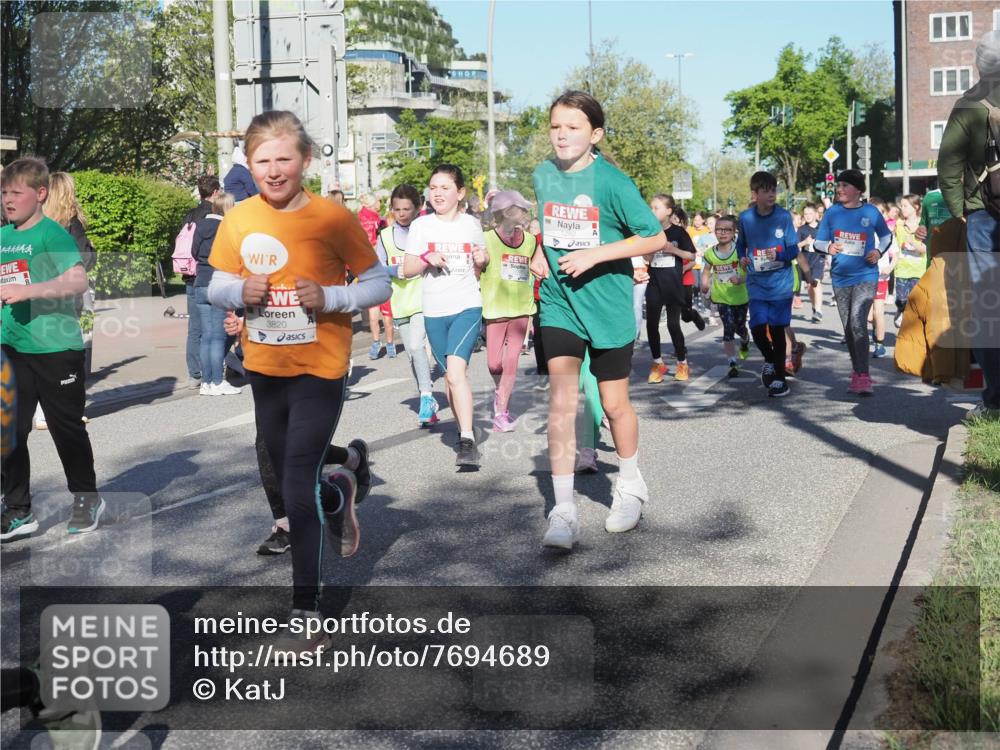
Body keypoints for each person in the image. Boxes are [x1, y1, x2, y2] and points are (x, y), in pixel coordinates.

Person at [207, 110, 390, 645]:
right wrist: (239, 292)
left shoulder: (332, 218)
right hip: (265, 367)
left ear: (305, 160)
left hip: (320, 366)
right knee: (289, 464)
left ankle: (306, 609)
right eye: (262, 161)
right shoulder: (239, 218)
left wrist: (330, 296)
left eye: (284, 159)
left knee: (293, 483)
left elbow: (379, 283)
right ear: (249, 165)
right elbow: (216, 285)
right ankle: (339, 488)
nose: (273, 170)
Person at [529, 90, 665, 550]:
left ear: (595, 134)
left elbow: (654, 237)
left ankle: (630, 485)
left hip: (607, 305)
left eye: (573, 127)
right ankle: (563, 510)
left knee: (613, 405)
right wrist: (540, 253)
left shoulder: (613, 183)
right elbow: (547, 227)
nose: (562, 134)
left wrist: (596, 254)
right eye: (556, 126)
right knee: (562, 402)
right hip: (559, 302)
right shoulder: (543, 175)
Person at [1, 157, 105, 540]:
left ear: (40, 193)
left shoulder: (52, 235)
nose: (7, 200)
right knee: (9, 430)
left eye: (17, 193)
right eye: (4, 193)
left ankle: (87, 498)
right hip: (13, 347)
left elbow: (77, 281)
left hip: (56, 348)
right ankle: (18, 510)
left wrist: (28, 291)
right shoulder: (3, 237)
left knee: (65, 428)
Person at [401, 165, 488, 467]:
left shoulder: (471, 224)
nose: (437, 193)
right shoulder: (421, 226)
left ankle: (466, 439)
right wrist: (427, 258)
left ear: (460, 192)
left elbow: (482, 261)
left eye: (445, 188)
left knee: (455, 373)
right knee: (451, 379)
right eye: (433, 187)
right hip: (434, 310)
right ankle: (466, 428)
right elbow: (407, 269)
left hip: (467, 305)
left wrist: (482, 258)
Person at [937, 29, 1000, 418]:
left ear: (980, 64)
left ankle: (995, 401)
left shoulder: (969, 104)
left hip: (983, 215)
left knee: (988, 307)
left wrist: (959, 208)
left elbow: (948, 164)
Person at [813, 169, 893, 396]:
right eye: (838, 185)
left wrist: (878, 251)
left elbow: (886, 236)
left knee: (858, 321)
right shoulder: (832, 213)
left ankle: (863, 375)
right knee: (849, 326)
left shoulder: (870, 212)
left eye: (845, 185)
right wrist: (828, 247)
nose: (839, 189)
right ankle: (857, 370)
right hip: (840, 277)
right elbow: (818, 242)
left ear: (858, 190)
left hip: (866, 274)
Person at [377, 183, 438, 426]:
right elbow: (377, 268)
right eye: (397, 209)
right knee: (413, 355)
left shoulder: (427, 231)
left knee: (415, 345)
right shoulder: (384, 236)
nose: (401, 214)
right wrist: (395, 270)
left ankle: (426, 397)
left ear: (418, 208)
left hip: (424, 297)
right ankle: (428, 400)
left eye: (406, 209)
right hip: (400, 301)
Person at [735, 171, 800, 398]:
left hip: (780, 283)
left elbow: (794, 249)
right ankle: (771, 360)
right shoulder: (746, 218)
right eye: (766, 191)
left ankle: (780, 380)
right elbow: (740, 245)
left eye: (774, 190)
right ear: (755, 194)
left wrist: (778, 254)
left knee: (776, 329)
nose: (771, 194)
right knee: (757, 327)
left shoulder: (783, 216)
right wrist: (742, 258)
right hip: (757, 282)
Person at [481, 190, 536, 432]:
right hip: (495, 309)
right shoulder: (486, 239)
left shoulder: (531, 241)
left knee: (511, 361)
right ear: (505, 213)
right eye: (519, 209)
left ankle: (501, 412)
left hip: (522, 309)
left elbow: (536, 266)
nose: (523, 213)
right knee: (494, 364)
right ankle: (500, 391)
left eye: (524, 209)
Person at [192, 192, 242, 396]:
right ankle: (217, 381)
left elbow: (194, 252)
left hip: (200, 282)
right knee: (218, 337)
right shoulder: (227, 227)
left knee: (206, 336)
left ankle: (206, 383)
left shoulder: (201, 225)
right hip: (219, 284)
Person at [647, 194, 699, 382]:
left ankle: (682, 363)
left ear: (669, 211)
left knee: (672, 325)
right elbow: (646, 258)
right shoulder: (650, 231)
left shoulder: (678, 232)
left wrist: (672, 249)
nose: (652, 211)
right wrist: (650, 251)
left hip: (673, 283)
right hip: (654, 283)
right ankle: (657, 363)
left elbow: (692, 256)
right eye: (651, 207)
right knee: (651, 324)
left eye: (656, 208)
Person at [180, 175, 220, 389]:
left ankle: (194, 373)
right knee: (213, 326)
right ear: (215, 192)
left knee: (194, 327)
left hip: (189, 275)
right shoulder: (214, 216)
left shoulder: (190, 215)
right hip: (209, 275)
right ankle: (212, 372)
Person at [699, 214, 750, 377]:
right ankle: (732, 362)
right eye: (719, 229)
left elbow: (751, 273)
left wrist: (741, 279)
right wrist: (704, 283)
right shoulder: (710, 253)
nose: (722, 233)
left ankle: (745, 339)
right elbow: (706, 270)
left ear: (734, 232)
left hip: (740, 296)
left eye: (727, 230)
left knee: (739, 327)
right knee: (728, 328)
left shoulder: (740, 251)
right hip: (721, 297)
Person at [357, 193, 393, 359]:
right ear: (372, 203)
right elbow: (372, 245)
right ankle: (387, 343)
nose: (381, 203)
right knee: (385, 311)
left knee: (374, 310)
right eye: (379, 201)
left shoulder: (365, 218)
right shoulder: (371, 221)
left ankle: (377, 342)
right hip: (377, 268)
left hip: (366, 269)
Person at [892, 194, 927, 328]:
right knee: (901, 300)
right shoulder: (899, 224)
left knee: (916, 302)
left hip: (918, 270)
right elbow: (893, 242)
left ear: (916, 207)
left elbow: (925, 249)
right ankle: (900, 310)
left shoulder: (923, 224)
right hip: (902, 269)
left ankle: (913, 327)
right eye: (901, 205)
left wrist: (913, 243)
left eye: (905, 206)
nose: (902, 208)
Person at [869, 232, 897, 359]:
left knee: (878, 312)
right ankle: (876, 328)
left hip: (881, 278)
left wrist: (889, 268)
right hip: (864, 278)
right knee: (869, 317)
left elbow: (896, 255)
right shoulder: (862, 231)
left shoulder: (886, 234)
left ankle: (879, 345)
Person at [797, 203, 826, 322]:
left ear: (816, 214)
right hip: (805, 260)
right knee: (810, 285)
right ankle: (814, 307)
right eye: (805, 214)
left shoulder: (823, 227)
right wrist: (805, 242)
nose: (808, 216)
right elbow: (795, 246)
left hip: (819, 258)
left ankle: (819, 310)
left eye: (810, 213)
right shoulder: (801, 229)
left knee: (816, 282)